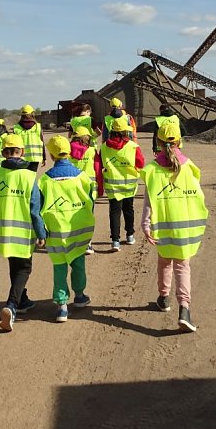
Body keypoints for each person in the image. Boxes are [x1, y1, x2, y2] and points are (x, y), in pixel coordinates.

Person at [140, 122, 208, 333]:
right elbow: (197, 197)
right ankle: (184, 310)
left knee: (164, 263)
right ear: (180, 141)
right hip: (185, 227)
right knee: (182, 266)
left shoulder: (151, 170)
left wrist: (146, 225)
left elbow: (149, 201)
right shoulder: (189, 167)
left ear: (158, 143)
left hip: (163, 228)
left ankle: (163, 298)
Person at [0, 133, 47, 332]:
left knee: (14, 266)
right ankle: (11, 305)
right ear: (22, 152)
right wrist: (41, 233)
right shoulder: (28, 175)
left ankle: (22, 299)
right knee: (24, 269)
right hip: (23, 230)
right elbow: (35, 209)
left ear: (3, 153)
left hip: (2, 230)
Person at [39, 135, 95, 322]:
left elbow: (38, 206)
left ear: (52, 155)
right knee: (78, 263)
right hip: (77, 228)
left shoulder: (45, 180)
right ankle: (79, 296)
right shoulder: (81, 177)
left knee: (59, 267)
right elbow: (90, 200)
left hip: (55, 231)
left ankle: (62, 306)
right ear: (69, 152)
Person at [97, 116, 144, 251]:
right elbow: (140, 163)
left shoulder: (105, 147)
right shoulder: (133, 146)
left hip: (112, 186)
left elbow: (100, 165)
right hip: (129, 185)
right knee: (128, 210)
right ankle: (130, 235)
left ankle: (115, 241)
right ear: (125, 131)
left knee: (114, 212)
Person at [68, 125, 100, 254]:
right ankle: (87, 244)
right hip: (88, 189)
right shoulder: (92, 151)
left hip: (71, 189)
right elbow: (98, 170)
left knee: (71, 215)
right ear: (86, 138)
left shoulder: (67, 152)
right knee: (87, 217)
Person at [13, 104, 45, 171]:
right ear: (32, 114)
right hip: (35, 158)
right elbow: (42, 143)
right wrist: (44, 158)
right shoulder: (38, 127)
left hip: (20, 158)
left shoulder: (16, 128)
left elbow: (13, 144)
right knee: (31, 178)